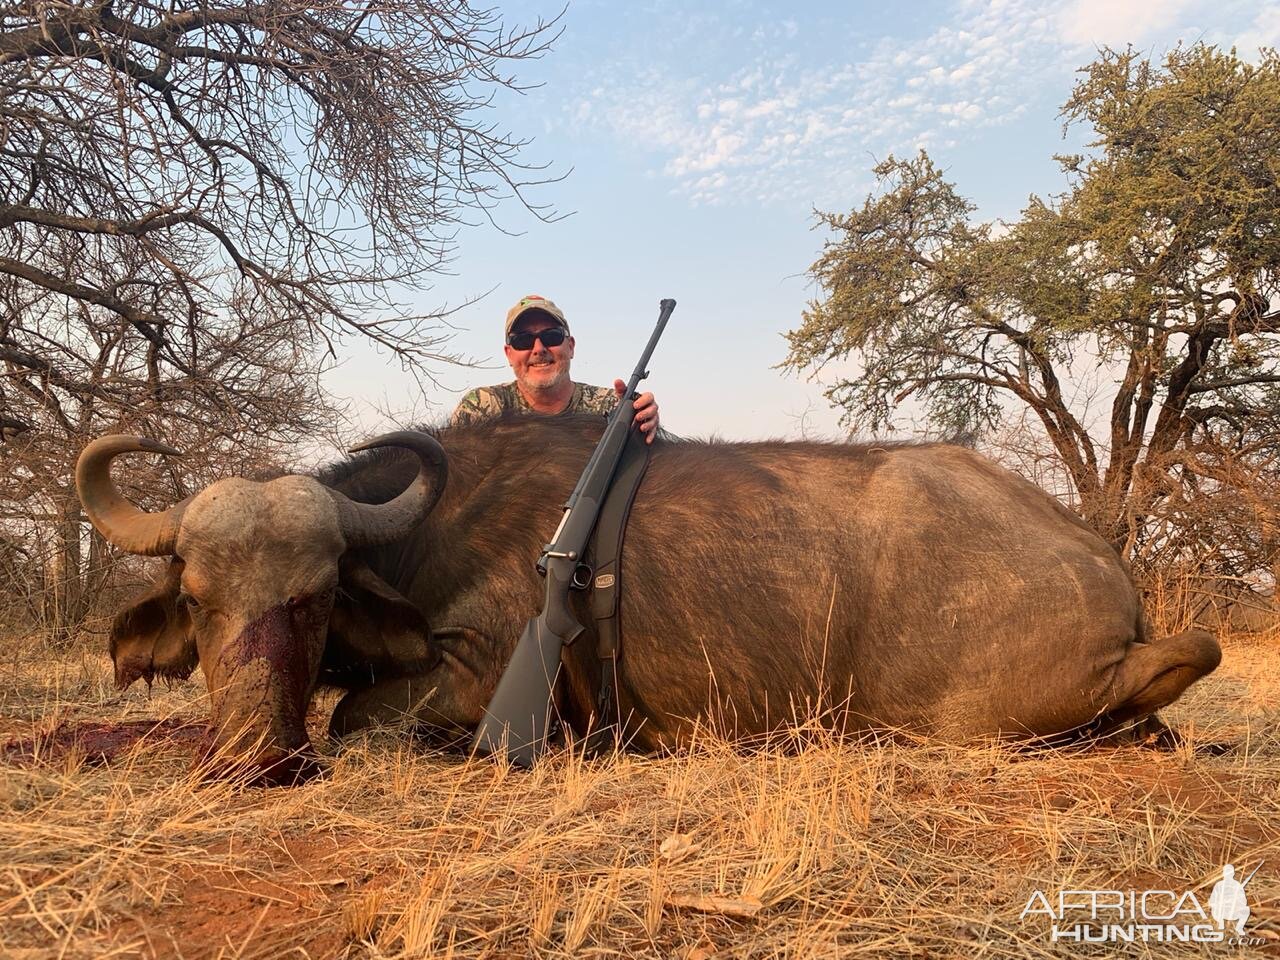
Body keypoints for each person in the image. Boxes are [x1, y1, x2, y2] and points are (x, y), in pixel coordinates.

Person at [450, 294, 661, 441]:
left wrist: (643, 424)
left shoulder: (611, 407)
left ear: (570, 347)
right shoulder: (481, 409)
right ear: (509, 354)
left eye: (551, 336)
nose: (539, 349)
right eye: (523, 341)